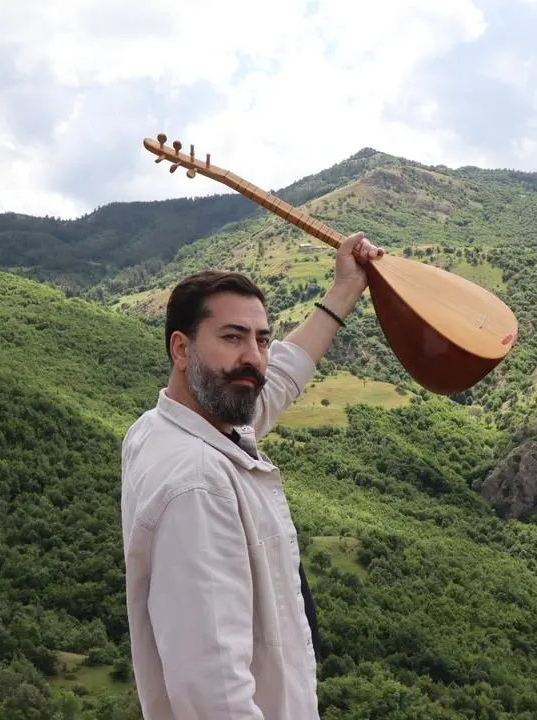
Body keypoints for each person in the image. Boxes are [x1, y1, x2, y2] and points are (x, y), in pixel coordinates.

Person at [120, 232, 385, 720]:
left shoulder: (173, 426)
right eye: (232, 337)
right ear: (181, 349)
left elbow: (278, 378)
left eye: (261, 340)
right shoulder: (198, 485)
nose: (254, 357)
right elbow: (216, 696)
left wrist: (346, 288)